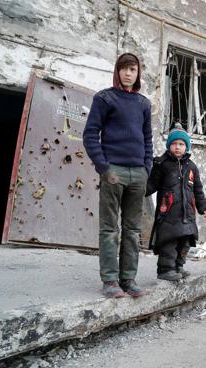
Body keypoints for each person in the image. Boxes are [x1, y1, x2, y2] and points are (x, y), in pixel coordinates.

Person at [83, 52, 152, 298]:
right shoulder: (104, 98)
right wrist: (104, 167)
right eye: (123, 68)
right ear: (117, 71)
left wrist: (146, 169)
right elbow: (90, 135)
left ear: (137, 74)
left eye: (132, 69)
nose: (128, 73)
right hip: (114, 171)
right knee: (109, 229)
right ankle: (110, 281)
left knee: (133, 231)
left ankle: (128, 280)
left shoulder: (144, 104)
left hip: (138, 175)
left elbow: (148, 139)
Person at [146, 124, 206, 281]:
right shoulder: (162, 164)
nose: (177, 147)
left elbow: (198, 190)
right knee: (169, 241)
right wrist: (139, 190)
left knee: (185, 242)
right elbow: (152, 184)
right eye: (174, 144)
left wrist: (203, 207)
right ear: (169, 146)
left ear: (186, 147)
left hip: (187, 214)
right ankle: (165, 270)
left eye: (181, 144)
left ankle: (178, 267)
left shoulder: (192, 167)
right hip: (168, 213)